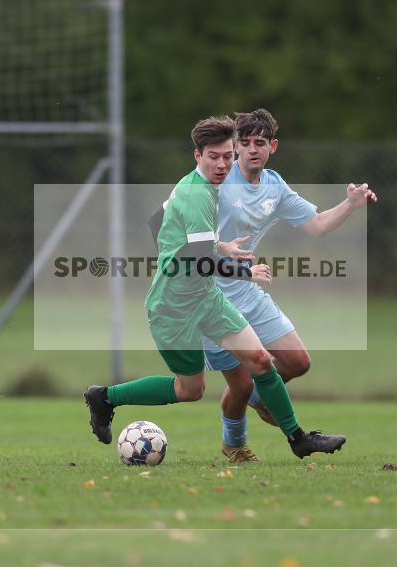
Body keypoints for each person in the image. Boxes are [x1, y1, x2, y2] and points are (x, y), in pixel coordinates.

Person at [85, 115, 347, 459]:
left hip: (208, 298)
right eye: (214, 156)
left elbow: (171, 230)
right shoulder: (196, 194)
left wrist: (217, 247)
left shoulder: (210, 187)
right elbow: (201, 260)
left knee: (261, 362)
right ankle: (104, 398)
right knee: (189, 389)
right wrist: (246, 272)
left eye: (227, 155)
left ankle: (298, 439)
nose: (223, 164)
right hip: (173, 306)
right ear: (197, 156)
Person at [149, 109, 377, 463]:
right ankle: (235, 444)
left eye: (260, 143)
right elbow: (159, 222)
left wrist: (350, 204)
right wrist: (203, 254)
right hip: (211, 295)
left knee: (298, 362)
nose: (251, 150)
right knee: (239, 384)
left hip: (248, 290)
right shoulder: (217, 179)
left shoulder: (274, 185)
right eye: (245, 143)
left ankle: (261, 398)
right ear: (236, 146)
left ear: (273, 146)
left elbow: (317, 224)